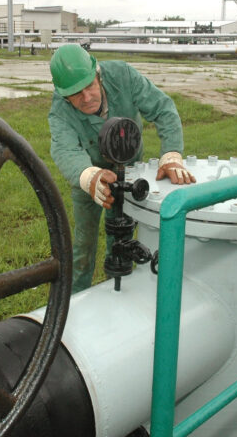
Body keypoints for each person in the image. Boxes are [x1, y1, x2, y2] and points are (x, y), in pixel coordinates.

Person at [48, 44, 196, 293]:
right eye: (75, 94)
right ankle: (74, 303)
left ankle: (118, 292)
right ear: (64, 96)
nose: (86, 98)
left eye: (89, 87)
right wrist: (89, 177)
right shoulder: (59, 112)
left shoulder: (124, 76)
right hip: (91, 177)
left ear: (98, 74)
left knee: (122, 238)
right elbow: (65, 150)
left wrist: (171, 155)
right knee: (84, 245)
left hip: (130, 170)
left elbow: (163, 109)